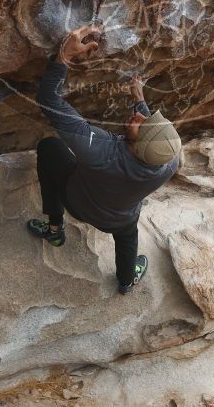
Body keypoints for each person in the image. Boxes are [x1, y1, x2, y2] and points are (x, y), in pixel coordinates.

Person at [27, 25, 183, 294]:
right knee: (127, 237)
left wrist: (64, 56)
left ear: (138, 147)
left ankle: (55, 228)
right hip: (119, 219)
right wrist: (139, 100)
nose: (140, 118)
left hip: (77, 202)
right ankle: (125, 280)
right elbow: (157, 141)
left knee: (50, 147)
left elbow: (48, 99)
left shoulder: (100, 151)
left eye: (142, 125)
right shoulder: (169, 164)